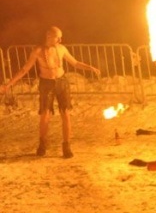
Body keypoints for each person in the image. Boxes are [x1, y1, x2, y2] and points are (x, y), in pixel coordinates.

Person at [0, 26, 100, 158]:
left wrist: (91, 68)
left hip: (62, 82)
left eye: (60, 37)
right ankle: (42, 144)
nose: (60, 39)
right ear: (48, 36)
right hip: (46, 84)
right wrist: (8, 85)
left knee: (65, 113)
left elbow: (75, 63)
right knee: (45, 114)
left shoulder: (62, 49)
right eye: (57, 37)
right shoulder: (38, 51)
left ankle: (67, 146)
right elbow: (24, 69)